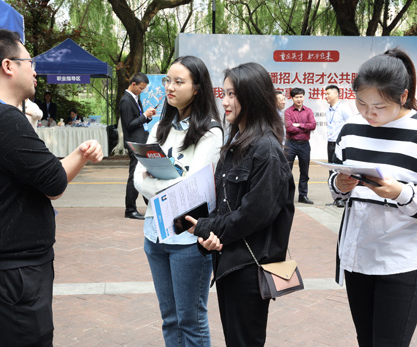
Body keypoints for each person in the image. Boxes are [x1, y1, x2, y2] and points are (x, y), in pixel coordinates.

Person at [0, 29, 103, 347]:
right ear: (8, 66)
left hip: (3, 268)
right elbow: (54, 182)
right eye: (29, 62)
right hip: (12, 274)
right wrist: (81, 152)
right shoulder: (0, 119)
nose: (35, 71)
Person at [329, 48, 417, 346]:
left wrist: (403, 193)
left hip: (403, 261)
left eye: (379, 106)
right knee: (367, 340)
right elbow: (336, 183)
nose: (369, 113)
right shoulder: (350, 130)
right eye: (361, 102)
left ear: (402, 96)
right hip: (358, 256)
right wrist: (340, 184)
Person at [186, 62, 295, 346]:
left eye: (232, 94)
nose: (225, 101)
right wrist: (210, 237)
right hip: (228, 262)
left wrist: (208, 228)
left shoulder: (267, 150)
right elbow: (225, 204)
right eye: (223, 94)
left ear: (253, 96)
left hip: (249, 267)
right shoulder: (236, 140)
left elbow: (254, 214)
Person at [133, 56, 223, 346]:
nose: (169, 87)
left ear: (197, 88)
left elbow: (192, 191)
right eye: (167, 81)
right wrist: (166, 185)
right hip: (154, 235)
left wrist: (154, 183)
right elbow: (137, 179)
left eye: (178, 82)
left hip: (187, 240)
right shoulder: (161, 126)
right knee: (169, 319)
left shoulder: (210, 132)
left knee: (191, 320)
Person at [120, 73, 156, 220]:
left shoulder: (135, 98)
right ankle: (130, 209)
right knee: (134, 176)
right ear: (133, 84)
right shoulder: (126, 101)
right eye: (140, 88)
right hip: (134, 142)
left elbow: (138, 121)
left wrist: (147, 117)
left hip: (141, 140)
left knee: (143, 173)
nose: (142, 91)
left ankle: (149, 203)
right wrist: (144, 116)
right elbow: (129, 125)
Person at [284, 87, 316, 204]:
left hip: (304, 145)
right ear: (292, 98)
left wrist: (298, 125)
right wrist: (304, 127)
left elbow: (313, 125)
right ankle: (286, 196)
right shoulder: (288, 111)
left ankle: (303, 195)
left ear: (303, 97)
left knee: (304, 171)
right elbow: (289, 128)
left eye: (301, 96)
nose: (299, 99)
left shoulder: (309, 111)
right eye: (296, 97)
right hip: (290, 144)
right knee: (287, 170)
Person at [324, 84, 353, 207]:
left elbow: (351, 124)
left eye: (328, 94)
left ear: (336, 94)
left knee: (341, 171)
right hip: (330, 143)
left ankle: (344, 198)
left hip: (339, 144)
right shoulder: (328, 110)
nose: (326, 96)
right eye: (325, 94)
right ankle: (336, 198)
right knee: (332, 171)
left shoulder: (343, 109)